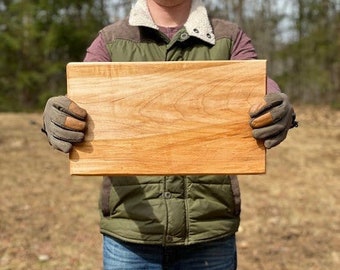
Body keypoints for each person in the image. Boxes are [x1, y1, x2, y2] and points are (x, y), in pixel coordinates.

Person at [42, 0, 298, 269]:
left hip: (209, 232)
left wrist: (278, 106)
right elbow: (80, 99)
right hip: (130, 233)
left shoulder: (229, 37)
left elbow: (257, 85)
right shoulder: (111, 40)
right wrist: (56, 116)